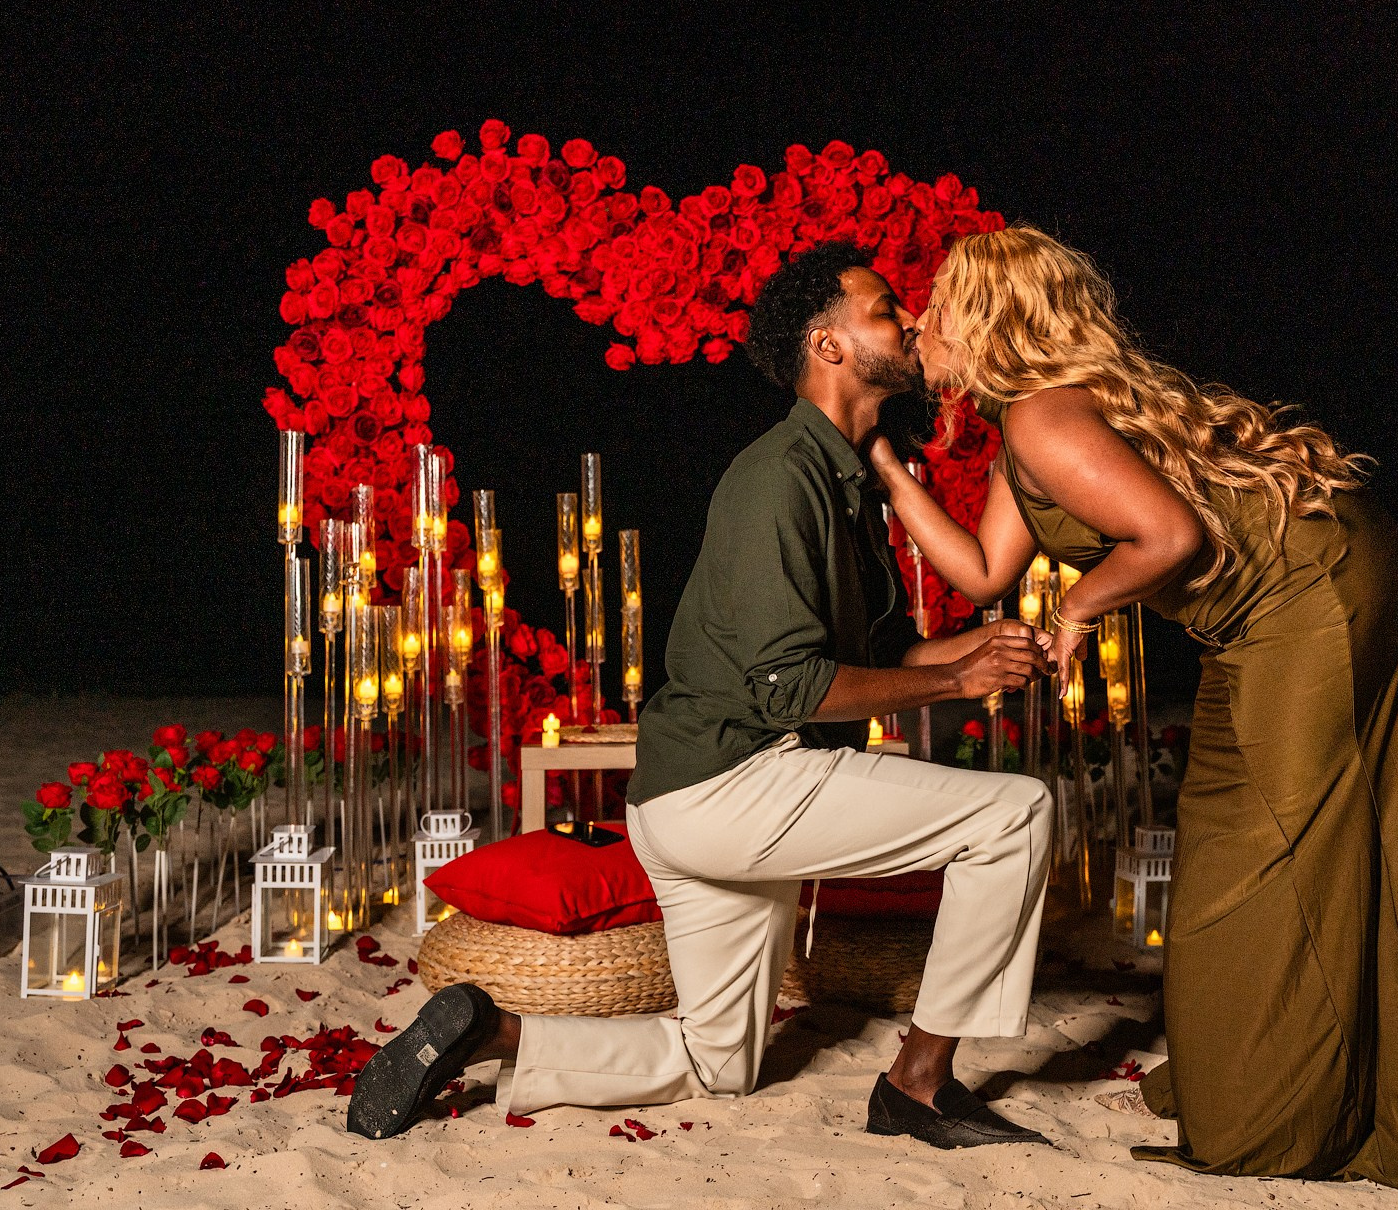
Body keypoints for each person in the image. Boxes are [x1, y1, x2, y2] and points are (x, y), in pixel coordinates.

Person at [349, 241, 1059, 1150]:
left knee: (719, 1063)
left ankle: (493, 1033)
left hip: (696, 802)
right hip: (733, 784)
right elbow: (788, 685)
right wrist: (960, 679)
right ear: (828, 345)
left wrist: (983, 649)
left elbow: (882, 654)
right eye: (886, 310)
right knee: (1016, 813)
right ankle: (918, 1083)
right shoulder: (777, 478)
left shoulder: (846, 478)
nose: (912, 321)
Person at [868, 224, 1398, 1208]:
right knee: (1220, 842)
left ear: (990, 318)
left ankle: (1281, 1119)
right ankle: (1268, 1079)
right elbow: (980, 571)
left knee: (1272, 858)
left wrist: (1077, 609)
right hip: (1277, 606)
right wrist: (884, 463)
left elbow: (1167, 533)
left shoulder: (1043, 418)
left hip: (1310, 589)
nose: (919, 319)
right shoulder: (1019, 435)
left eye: (940, 302)